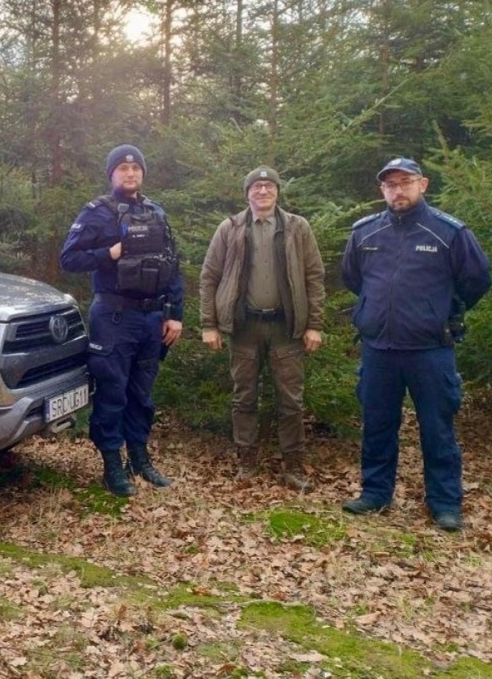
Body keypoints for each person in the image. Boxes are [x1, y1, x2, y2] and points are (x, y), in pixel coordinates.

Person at [340, 157, 492, 531]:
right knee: (377, 424)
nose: (398, 190)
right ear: (382, 190)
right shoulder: (365, 233)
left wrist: (439, 311)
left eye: (405, 182)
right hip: (379, 349)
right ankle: (376, 493)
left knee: (437, 428)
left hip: (430, 351)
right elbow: (353, 278)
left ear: (422, 185)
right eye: (390, 184)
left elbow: (477, 280)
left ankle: (444, 503)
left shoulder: (448, 232)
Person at [60, 144, 184, 496]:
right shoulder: (96, 213)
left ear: (142, 173)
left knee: (141, 394)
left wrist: (175, 315)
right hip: (113, 316)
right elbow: (68, 259)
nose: (130, 174)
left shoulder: (155, 212)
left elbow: (172, 264)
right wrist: (108, 253)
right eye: (123, 168)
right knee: (112, 392)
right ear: (112, 174)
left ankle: (140, 459)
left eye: (136, 168)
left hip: (152, 318)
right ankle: (112, 465)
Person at [199, 166, 326, 489]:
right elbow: (209, 277)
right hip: (244, 327)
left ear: (278, 192)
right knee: (244, 398)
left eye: (269, 186)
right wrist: (209, 324)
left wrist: (314, 325)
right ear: (247, 194)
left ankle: (293, 468)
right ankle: (246, 463)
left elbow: (314, 277)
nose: (263, 192)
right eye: (256, 187)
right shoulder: (230, 229)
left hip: (286, 328)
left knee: (291, 401)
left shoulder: (298, 228)